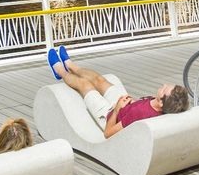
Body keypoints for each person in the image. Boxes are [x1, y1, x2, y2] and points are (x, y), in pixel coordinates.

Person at [46, 46, 189, 138]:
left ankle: (61, 71)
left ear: (161, 101)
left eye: (164, 88)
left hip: (109, 115)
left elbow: (108, 133)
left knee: (84, 84)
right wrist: (133, 103)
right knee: (100, 80)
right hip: (126, 105)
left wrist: (116, 110)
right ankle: (71, 65)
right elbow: (145, 108)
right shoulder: (162, 108)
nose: (163, 84)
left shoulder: (138, 115)